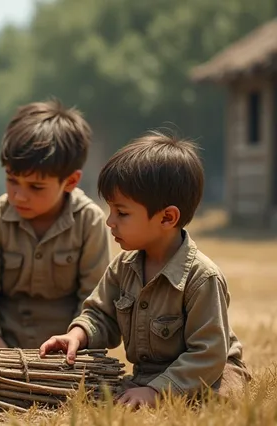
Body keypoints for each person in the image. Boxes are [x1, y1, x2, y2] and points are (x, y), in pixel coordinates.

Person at [39, 131, 252, 408]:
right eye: (110, 210)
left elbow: (208, 354)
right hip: (148, 375)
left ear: (167, 217)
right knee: (104, 398)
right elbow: (100, 315)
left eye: (122, 213)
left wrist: (158, 391)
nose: (110, 221)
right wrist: (76, 335)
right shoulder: (123, 268)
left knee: (213, 402)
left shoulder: (202, 278)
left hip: (210, 373)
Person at [0, 99, 111, 349]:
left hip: (69, 354)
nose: (19, 196)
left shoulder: (89, 221)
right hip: (2, 350)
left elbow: (94, 300)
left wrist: (75, 341)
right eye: (12, 180)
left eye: (36, 186)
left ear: (70, 181)